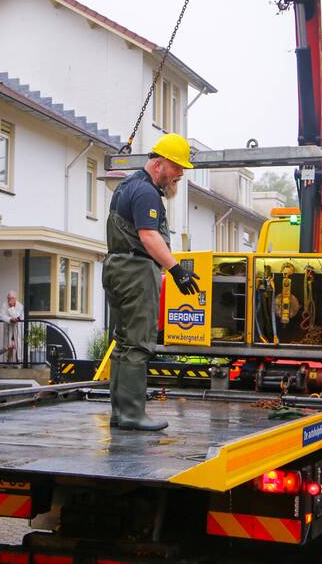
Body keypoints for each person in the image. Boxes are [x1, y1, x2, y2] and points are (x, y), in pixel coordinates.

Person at [103, 133, 201, 431]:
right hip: (135, 271)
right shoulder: (146, 193)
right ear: (158, 164)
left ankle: (120, 413)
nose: (180, 174)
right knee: (138, 344)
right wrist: (177, 270)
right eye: (176, 167)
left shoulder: (126, 186)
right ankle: (133, 414)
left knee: (123, 343)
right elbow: (148, 236)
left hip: (116, 267)